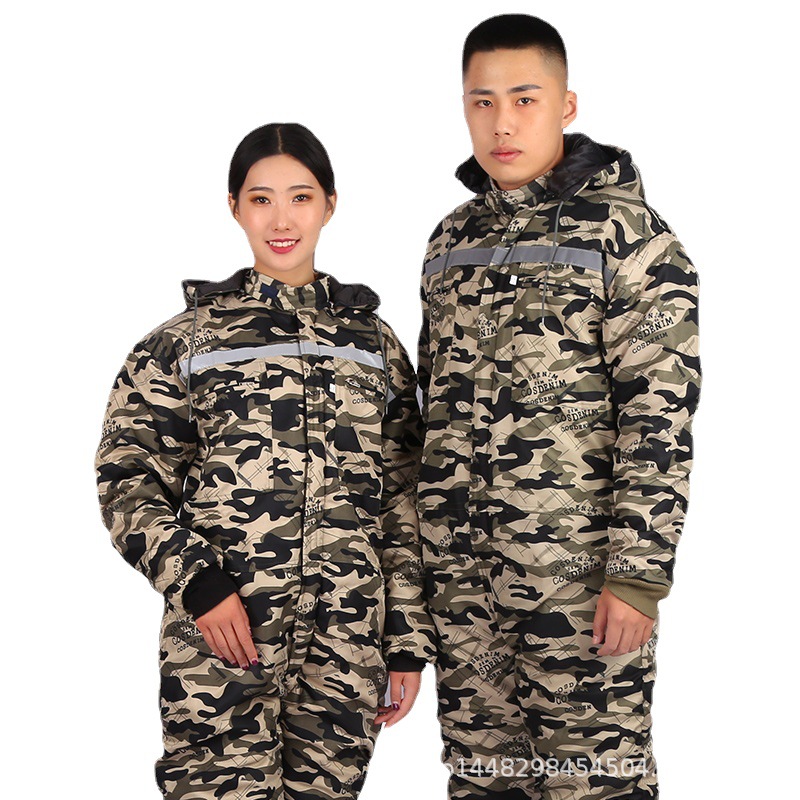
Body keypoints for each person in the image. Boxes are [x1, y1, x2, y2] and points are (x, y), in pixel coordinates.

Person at [94, 122, 437, 800]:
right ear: (234, 207)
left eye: (301, 198)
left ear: (330, 204)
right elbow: (127, 477)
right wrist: (196, 581)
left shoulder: (373, 344)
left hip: (346, 641)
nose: (282, 221)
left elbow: (402, 495)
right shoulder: (184, 343)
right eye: (261, 199)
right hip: (223, 641)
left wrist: (406, 637)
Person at [416, 14, 701, 800]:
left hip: (577, 585)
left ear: (566, 105)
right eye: (482, 102)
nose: (502, 123)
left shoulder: (630, 238)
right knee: (485, 784)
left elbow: (659, 417)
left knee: (594, 783)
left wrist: (637, 576)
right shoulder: (449, 244)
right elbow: (429, 412)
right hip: (462, 589)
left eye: (525, 99)